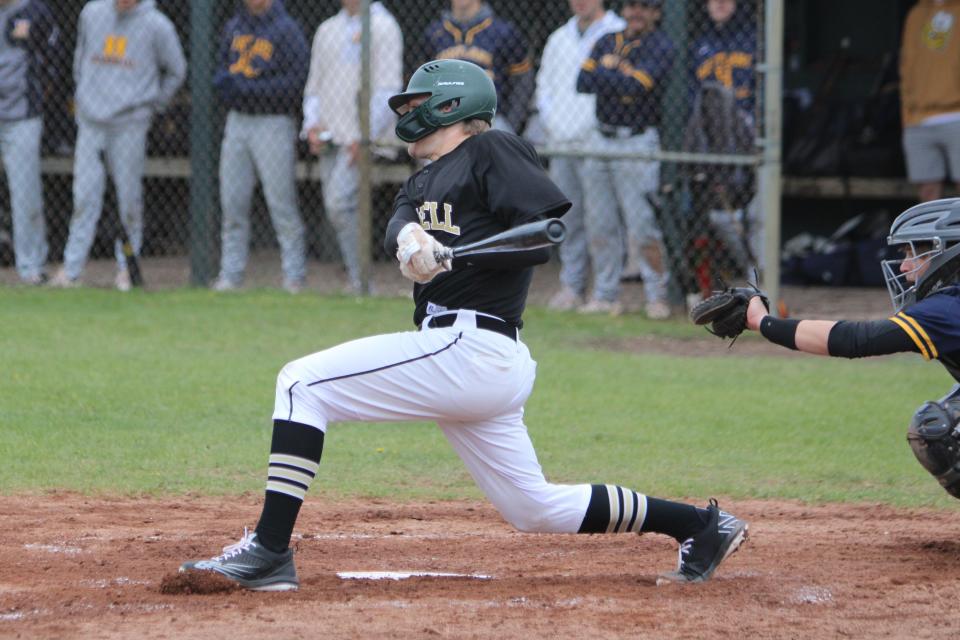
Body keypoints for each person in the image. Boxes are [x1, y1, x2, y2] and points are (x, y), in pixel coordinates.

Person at [178, 59, 747, 591]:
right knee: (533, 507)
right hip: (469, 359)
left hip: (470, 345)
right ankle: (701, 525)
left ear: (452, 105)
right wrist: (410, 239)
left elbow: (541, 234)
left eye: (418, 102)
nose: (406, 114)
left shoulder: (491, 149)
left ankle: (270, 551)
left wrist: (459, 254)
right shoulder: (424, 178)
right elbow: (400, 218)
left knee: (301, 383)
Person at [743, 198, 960, 498]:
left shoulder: (947, 308)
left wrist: (762, 322)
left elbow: (855, 339)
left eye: (916, 253)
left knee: (940, 427)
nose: (905, 266)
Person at [49, 0, 185, 291]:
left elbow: (177, 71)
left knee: (128, 198)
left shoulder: (157, 25)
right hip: (91, 121)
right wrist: (85, 98)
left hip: (130, 123)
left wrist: (151, 105)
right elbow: (80, 58)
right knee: (84, 196)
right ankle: (72, 270)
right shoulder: (91, 13)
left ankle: (127, 269)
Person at [576, 0, 675, 318]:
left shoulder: (661, 44)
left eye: (644, 7)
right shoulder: (607, 39)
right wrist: (618, 76)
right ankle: (605, 296)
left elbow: (640, 86)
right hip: (600, 138)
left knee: (642, 225)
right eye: (632, 6)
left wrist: (608, 71)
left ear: (656, 13)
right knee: (600, 223)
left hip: (637, 140)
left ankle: (657, 296)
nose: (636, 13)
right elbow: (582, 82)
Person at [301, 0, 402, 294]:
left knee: (339, 203)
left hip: (363, 139)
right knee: (340, 207)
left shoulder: (385, 26)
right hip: (331, 135)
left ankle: (361, 280)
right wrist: (312, 123)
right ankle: (359, 280)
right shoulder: (327, 29)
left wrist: (364, 134)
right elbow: (315, 85)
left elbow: (388, 88)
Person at [211, 0, 309, 294]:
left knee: (281, 203)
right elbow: (220, 70)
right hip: (238, 121)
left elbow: (295, 82)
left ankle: (294, 276)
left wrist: (249, 89)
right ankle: (231, 275)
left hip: (273, 122)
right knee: (232, 202)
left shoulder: (287, 29)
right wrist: (228, 87)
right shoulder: (234, 26)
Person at [535, 0, 625, 312]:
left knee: (602, 221)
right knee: (568, 218)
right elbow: (543, 86)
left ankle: (604, 292)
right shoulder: (559, 37)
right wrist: (553, 123)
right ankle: (571, 286)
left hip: (597, 140)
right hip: (562, 141)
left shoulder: (618, 32)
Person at [682, 0, 759, 307]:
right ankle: (714, 286)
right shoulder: (700, 44)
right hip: (712, 142)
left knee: (755, 216)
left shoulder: (754, 40)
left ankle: (762, 283)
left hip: (748, 137)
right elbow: (691, 99)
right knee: (714, 216)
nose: (720, 4)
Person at [0, 0, 59, 286]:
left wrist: (41, 96)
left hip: (21, 115)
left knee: (25, 194)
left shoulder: (34, 12)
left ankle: (32, 266)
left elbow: (53, 63)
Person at [424, 0, 533, 134]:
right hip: (442, 117)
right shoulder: (434, 33)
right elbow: (421, 84)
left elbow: (522, 84)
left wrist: (511, 123)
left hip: (488, 118)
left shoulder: (503, 32)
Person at [900, 0, 960, 203]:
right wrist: (908, 115)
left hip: (956, 113)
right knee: (927, 196)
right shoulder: (917, 13)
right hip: (919, 118)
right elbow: (907, 66)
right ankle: (930, 236)